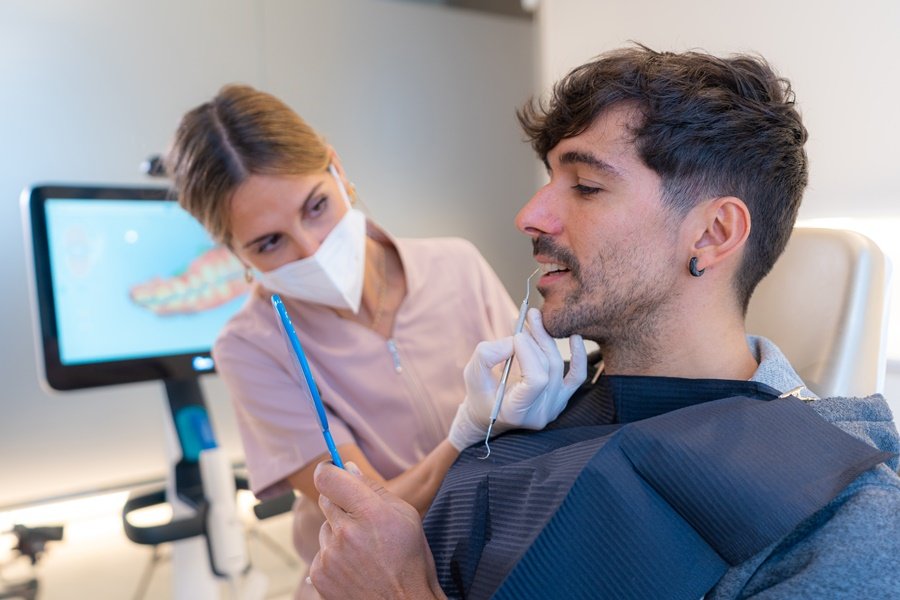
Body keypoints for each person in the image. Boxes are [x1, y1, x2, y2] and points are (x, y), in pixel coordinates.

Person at [308, 46, 900, 599]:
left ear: (713, 233)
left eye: (586, 187)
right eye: (549, 180)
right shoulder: (540, 403)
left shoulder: (842, 524)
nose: (529, 216)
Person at [165, 84, 588, 598]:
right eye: (269, 242)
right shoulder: (251, 347)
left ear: (337, 170)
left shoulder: (455, 265)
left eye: (316, 206)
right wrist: (465, 436)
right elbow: (364, 514)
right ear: (234, 252)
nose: (312, 249)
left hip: (492, 568)